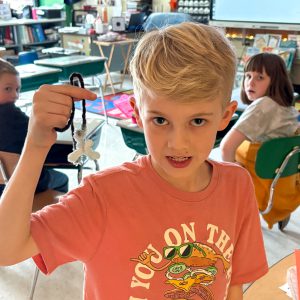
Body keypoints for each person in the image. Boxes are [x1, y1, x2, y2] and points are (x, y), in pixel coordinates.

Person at [0, 23, 268, 299]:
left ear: (225, 116)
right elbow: (6, 248)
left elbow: (234, 282)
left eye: (198, 121)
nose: (177, 143)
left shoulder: (237, 185)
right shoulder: (103, 197)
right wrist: (35, 145)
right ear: (137, 114)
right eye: (160, 120)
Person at [220, 52, 300, 229]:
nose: (250, 82)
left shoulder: (262, 105)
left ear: (275, 80)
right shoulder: (287, 106)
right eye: (248, 76)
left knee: (213, 158)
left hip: (258, 179)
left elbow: (226, 147)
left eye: (260, 77)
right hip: (281, 179)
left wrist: (232, 176)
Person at [0, 58, 69, 195]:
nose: (15, 95)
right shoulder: (12, 115)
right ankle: (47, 213)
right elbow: (39, 132)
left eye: (18, 90)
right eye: (8, 89)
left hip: (3, 187)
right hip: (24, 185)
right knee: (62, 178)